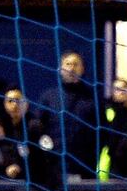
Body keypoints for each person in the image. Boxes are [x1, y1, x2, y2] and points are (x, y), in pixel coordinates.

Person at [37, 51, 99, 180]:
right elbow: (37, 128)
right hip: (53, 167)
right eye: (68, 64)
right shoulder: (48, 97)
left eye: (76, 64)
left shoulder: (93, 98)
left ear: (82, 69)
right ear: (60, 69)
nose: (71, 68)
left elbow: (102, 131)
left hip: (85, 167)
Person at [98, 78, 127, 180]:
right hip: (113, 160)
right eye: (117, 89)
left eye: (124, 89)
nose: (121, 92)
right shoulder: (106, 111)